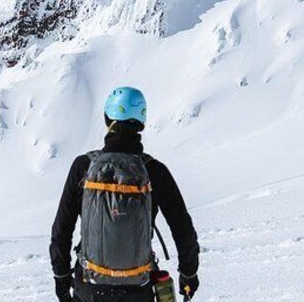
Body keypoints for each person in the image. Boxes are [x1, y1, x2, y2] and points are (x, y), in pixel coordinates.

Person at [50, 87, 201, 302]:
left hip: (89, 289)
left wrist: (62, 277)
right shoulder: (155, 171)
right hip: (138, 289)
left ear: (107, 118)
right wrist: (189, 274)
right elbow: (183, 229)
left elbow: (61, 229)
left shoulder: (83, 167)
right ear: (141, 122)